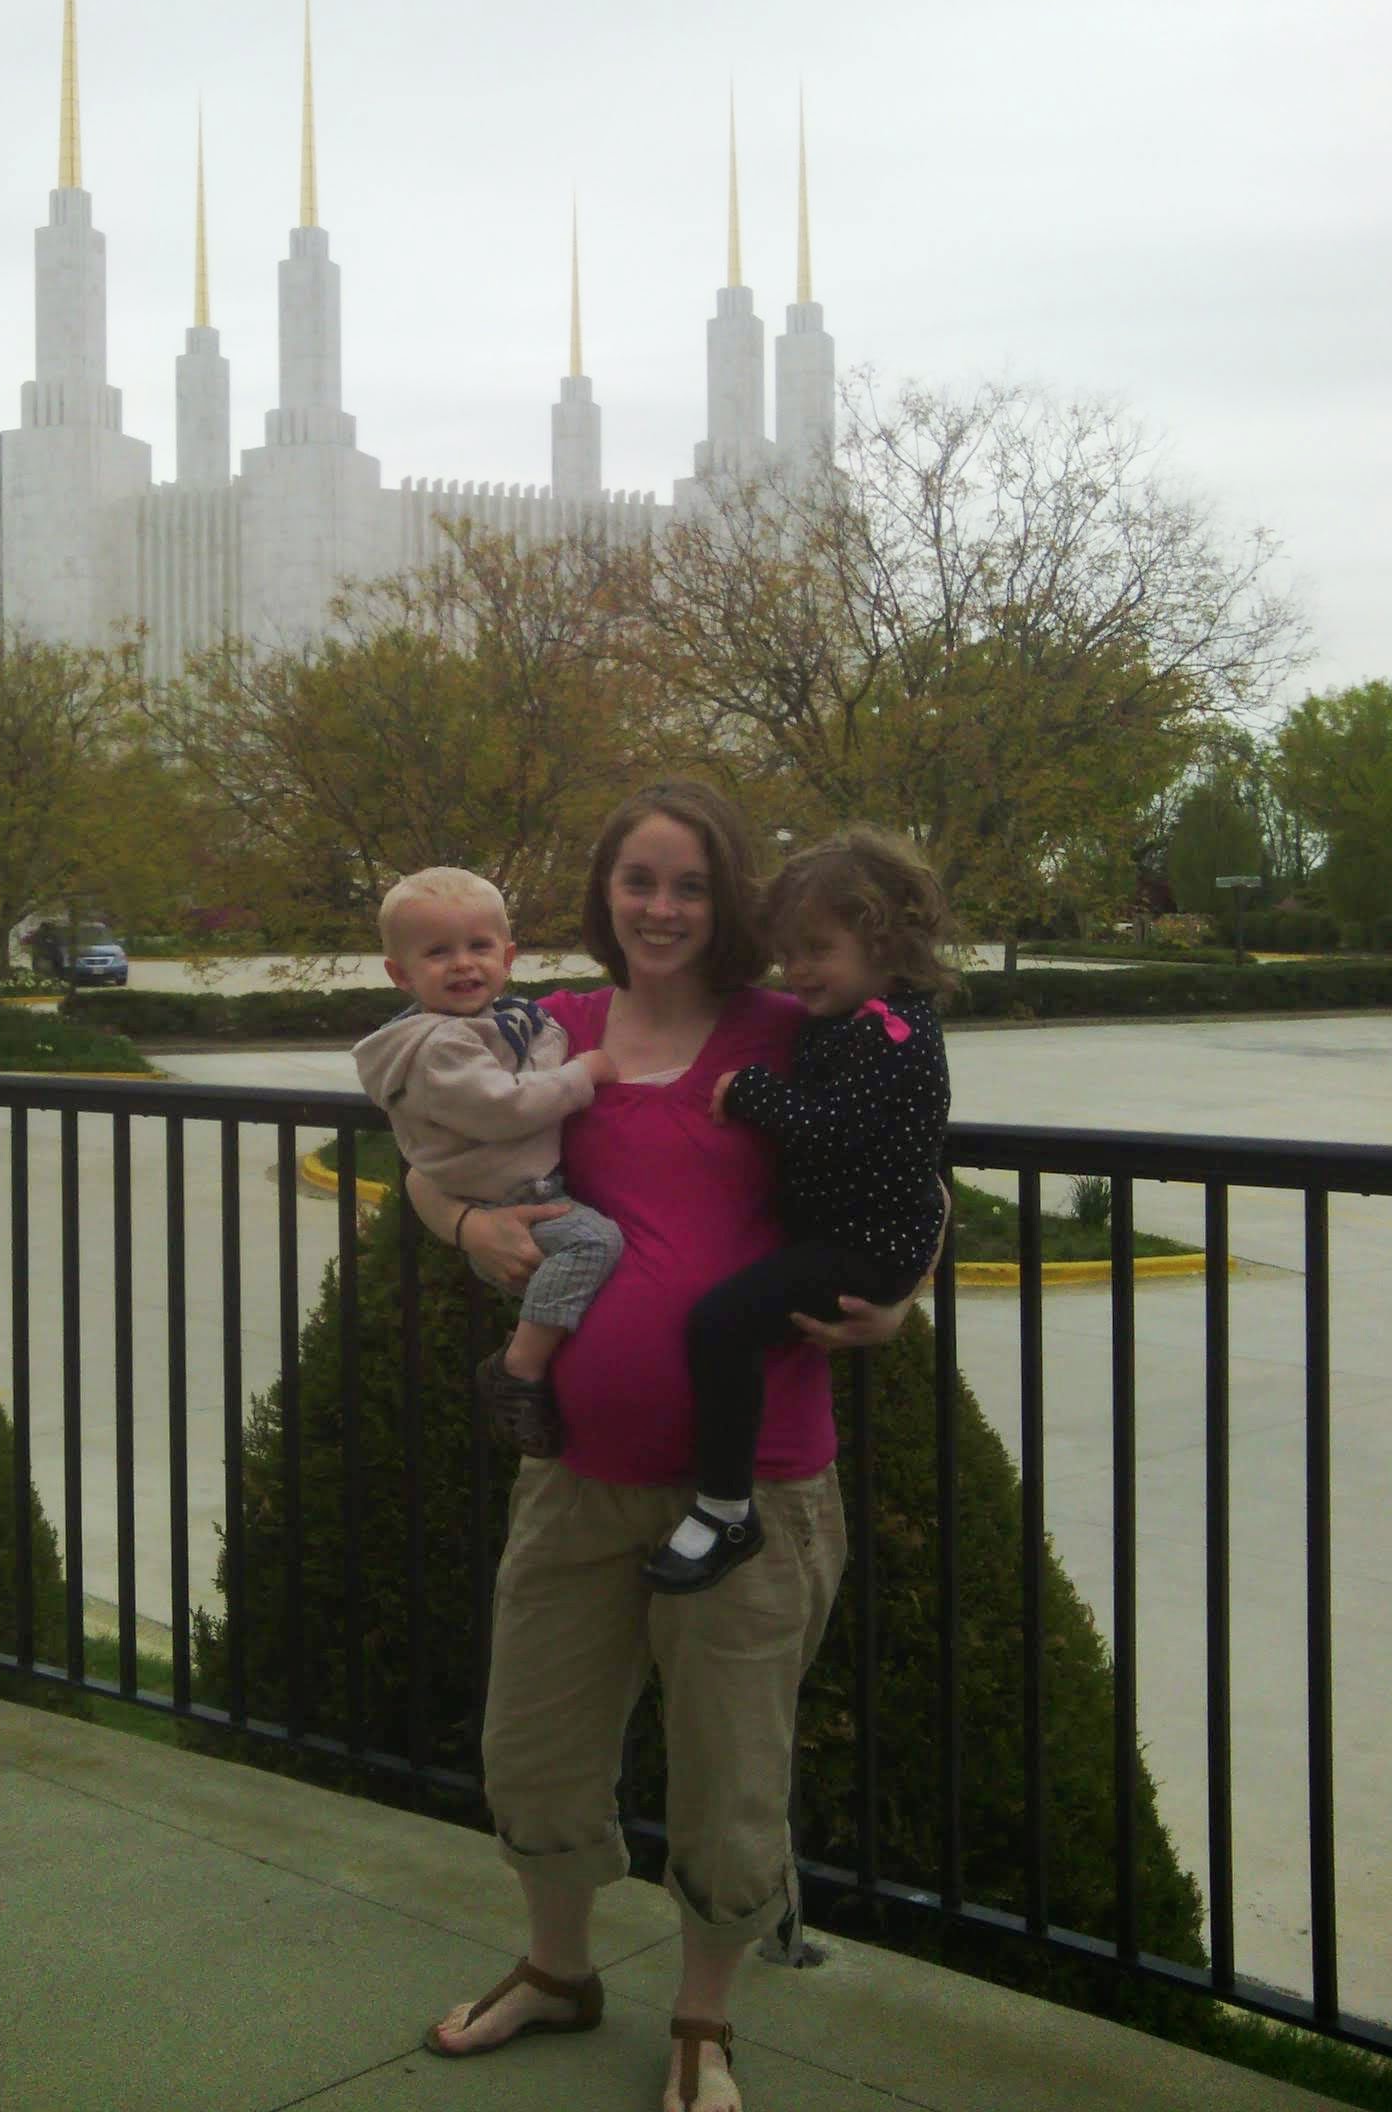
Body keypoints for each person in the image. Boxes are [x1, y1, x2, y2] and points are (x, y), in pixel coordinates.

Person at [408, 781, 931, 2112]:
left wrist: (906, 1292)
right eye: (639, 879)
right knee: (534, 1743)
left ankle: (704, 2020)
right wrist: (465, 1231)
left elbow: (913, 1166)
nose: (661, 907)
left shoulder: (788, 1026)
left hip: (754, 1484)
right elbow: (428, 1149)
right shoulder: (547, 1027)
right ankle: (559, 1971)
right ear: (606, 893)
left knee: (732, 1773)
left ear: (732, 899)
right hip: (578, 1470)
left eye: (690, 884)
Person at [643, 827, 953, 1597]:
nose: (798, 970)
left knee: (720, 1323)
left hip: (864, 1246)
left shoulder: (892, 1034)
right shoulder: (856, 1021)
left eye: (817, 949)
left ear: (887, 942)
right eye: (790, 951)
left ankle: (724, 1508)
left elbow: (834, 1127)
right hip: (851, 1236)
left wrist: (751, 1090)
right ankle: (722, 1501)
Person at [354, 867, 621, 1457]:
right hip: (504, 1200)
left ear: (508, 956)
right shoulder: (441, 1045)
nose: (462, 964)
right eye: (438, 952)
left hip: (516, 1192)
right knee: (595, 1244)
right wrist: (586, 1074)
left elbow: (533, 1055)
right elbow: (503, 1107)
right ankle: (519, 1368)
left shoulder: (508, 1021)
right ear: (400, 974)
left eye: (478, 946)